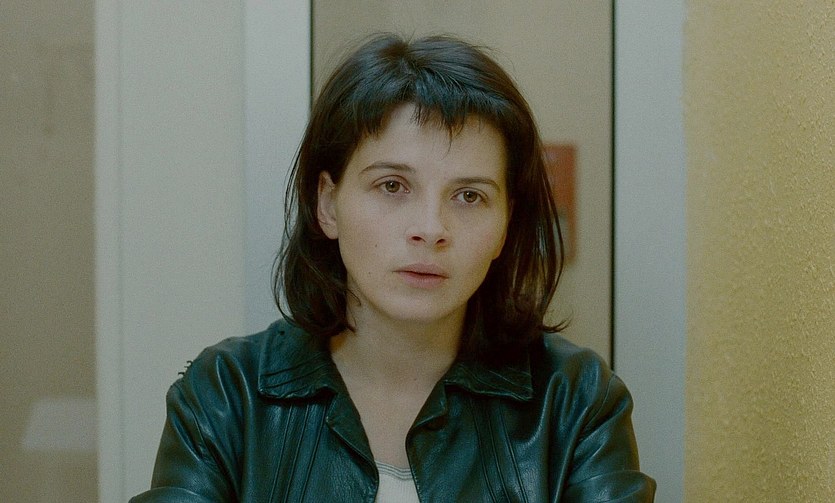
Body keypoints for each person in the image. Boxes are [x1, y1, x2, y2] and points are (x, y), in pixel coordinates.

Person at [132, 34, 656, 502]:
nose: (431, 228)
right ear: (328, 204)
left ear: (505, 226)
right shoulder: (227, 395)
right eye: (392, 186)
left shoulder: (574, 400)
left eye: (469, 196)